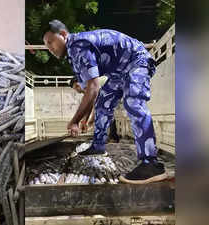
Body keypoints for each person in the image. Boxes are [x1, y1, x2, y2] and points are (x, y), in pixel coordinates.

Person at [43, 19, 167, 184]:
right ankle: (98, 146)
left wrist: (74, 121)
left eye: (50, 42)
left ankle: (150, 163)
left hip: (136, 60)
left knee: (133, 102)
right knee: (102, 103)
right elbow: (90, 91)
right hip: (118, 72)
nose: (49, 48)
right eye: (46, 45)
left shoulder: (77, 45)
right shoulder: (73, 55)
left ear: (64, 35)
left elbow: (92, 89)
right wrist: (83, 121)